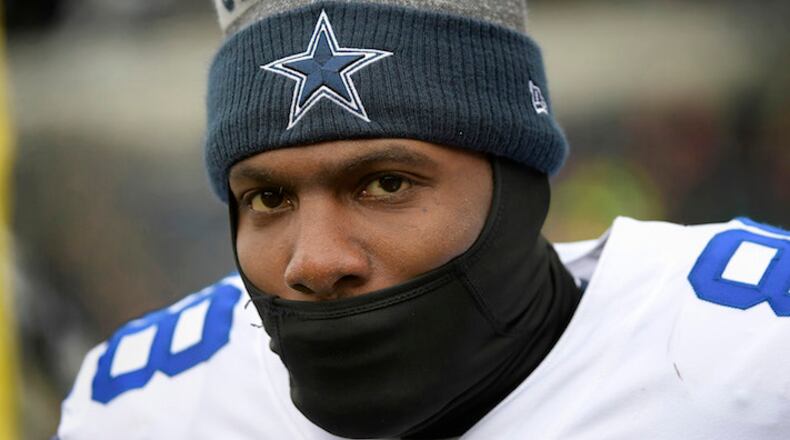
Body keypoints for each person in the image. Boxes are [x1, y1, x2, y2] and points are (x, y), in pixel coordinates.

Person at [56, 1, 790, 439]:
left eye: (385, 183)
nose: (314, 261)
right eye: (269, 199)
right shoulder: (147, 406)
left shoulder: (755, 354)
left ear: (516, 180)